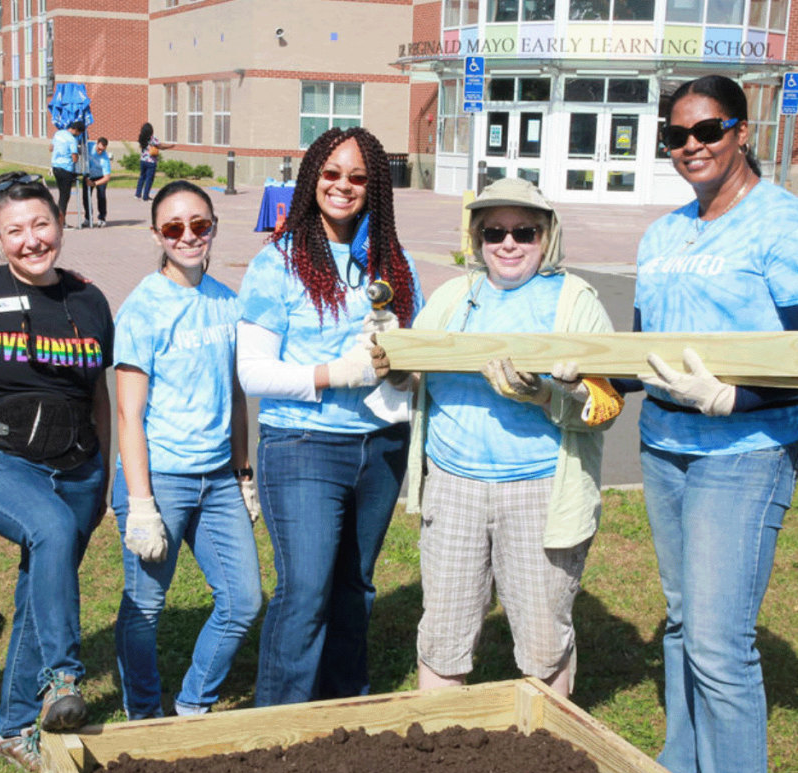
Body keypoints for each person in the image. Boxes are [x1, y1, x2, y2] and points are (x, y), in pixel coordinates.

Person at [372, 177, 621, 699]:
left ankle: (548, 758)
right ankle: (439, 752)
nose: (508, 244)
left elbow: (607, 405)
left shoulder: (575, 302)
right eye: (494, 233)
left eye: (524, 232)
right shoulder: (452, 297)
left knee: (543, 641)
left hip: (537, 491)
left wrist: (550, 396)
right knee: (443, 636)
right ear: (477, 238)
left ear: (546, 236)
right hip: (454, 486)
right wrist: (392, 364)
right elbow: (414, 377)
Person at [633, 74, 798, 773]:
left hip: (742, 449)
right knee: (677, 622)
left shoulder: (780, 225)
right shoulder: (662, 233)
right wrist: (562, 376)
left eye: (706, 130)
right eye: (675, 135)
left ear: (741, 131)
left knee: (718, 642)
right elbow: (637, 350)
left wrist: (735, 398)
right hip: (663, 445)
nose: (690, 146)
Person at [237, 126, 424, 707]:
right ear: (311, 177)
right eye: (332, 173)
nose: (343, 186)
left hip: (381, 446)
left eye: (359, 177)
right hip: (303, 445)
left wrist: (403, 368)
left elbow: (411, 354)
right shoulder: (278, 262)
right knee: (307, 590)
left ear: (376, 188)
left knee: (354, 589)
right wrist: (333, 373)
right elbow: (254, 374)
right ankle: (279, 725)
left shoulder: (393, 262)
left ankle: (343, 710)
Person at [0, 171, 114, 773]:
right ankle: (63, 676)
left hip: (79, 470)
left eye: (41, 224)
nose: (31, 240)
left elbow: (100, 396)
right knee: (49, 530)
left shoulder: (89, 300)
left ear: (60, 225)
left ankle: (13, 732)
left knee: (36, 593)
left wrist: (107, 474)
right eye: (15, 230)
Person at [113, 180, 261, 720]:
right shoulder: (142, 309)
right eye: (174, 228)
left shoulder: (228, 301)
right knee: (145, 607)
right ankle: (144, 716)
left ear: (214, 226)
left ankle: (192, 704)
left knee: (243, 601)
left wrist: (244, 474)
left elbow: (239, 394)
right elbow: (129, 412)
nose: (188, 236)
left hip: (219, 478)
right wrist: (142, 503)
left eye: (199, 225)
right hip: (162, 480)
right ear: (158, 234)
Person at [50, 119, 84, 225]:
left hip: (56, 166)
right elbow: (74, 157)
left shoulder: (58, 133)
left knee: (61, 193)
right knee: (64, 196)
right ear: (77, 131)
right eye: (79, 133)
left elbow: (51, 148)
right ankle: (61, 221)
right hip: (66, 168)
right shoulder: (72, 139)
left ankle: (59, 219)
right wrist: (77, 157)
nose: (78, 135)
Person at [135, 122, 174, 202]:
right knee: (149, 179)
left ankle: (138, 194)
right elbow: (160, 146)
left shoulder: (141, 138)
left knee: (142, 177)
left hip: (143, 160)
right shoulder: (152, 138)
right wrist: (170, 146)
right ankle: (145, 197)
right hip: (151, 161)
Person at [81, 136, 112, 228]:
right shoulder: (89, 146)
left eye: (102, 150)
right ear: (96, 143)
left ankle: (102, 218)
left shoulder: (105, 158)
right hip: (88, 174)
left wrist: (94, 183)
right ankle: (88, 218)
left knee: (101, 196)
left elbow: (107, 177)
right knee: (86, 197)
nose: (100, 151)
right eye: (99, 149)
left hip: (100, 177)